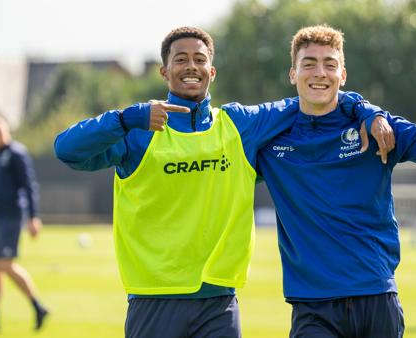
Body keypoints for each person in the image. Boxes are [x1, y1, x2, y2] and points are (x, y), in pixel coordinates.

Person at [54, 26, 393, 338]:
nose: (191, 66)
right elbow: (66, 150)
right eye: (181, 59)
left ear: (211, 72)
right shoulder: (137, 130)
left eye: (200, 59)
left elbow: (317, 94)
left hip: (219, 303)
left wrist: (366, 109)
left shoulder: (239, 124)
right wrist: (126, 118)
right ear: (164, 71)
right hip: (152, 298)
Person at [256, 25, 416, 338]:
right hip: (312, 307)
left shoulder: (376, 128)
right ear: (293, 73)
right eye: (309, 64)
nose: (320, 73)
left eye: (330, 64)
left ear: (343, 75)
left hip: (376, 296)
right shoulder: (271, 139)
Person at [0, 115, 48, 331]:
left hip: (10, 217)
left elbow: (28, 186)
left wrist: (33, 217)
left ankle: (38, 307)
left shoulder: (16, 153)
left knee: (5, 265)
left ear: (3, 131)